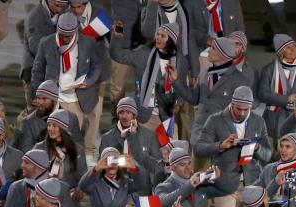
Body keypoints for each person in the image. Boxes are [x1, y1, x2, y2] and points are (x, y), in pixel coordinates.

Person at [193, 85, 272, 207]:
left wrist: (258, 148)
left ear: (251, 106)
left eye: (245, 110)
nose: (241, 113)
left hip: (252, 184)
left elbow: (268, 154)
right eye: (238, 109)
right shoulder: (215, 120)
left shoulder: (259, 121)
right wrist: (220, 146)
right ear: (232, 103)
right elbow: (199, 148)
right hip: (224, 185)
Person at [31, 12, 103, 157]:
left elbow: (97, 66)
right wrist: (40, 95)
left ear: (76, 31)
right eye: (62, 34)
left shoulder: (87, 42)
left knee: (71, 138)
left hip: (77, 99)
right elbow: (37, 71)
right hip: (54, 98)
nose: (65, 38)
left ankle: (70, 167)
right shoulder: (46, 43)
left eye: (69, 36)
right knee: (52, 136)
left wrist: (87, 81)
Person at [107, 21, 186, 131]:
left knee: (172, 148)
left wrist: (179, 103)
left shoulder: (178, 60)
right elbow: (117, 55)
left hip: (167, 119)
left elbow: (181, 84)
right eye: (157, 34)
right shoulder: (144, 53)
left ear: (172, 40)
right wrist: (116, 36)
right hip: (144, 116)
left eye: (163, 36)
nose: (158, 38)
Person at [98, 97, 163, 184]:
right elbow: (102, 166)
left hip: (142, 188)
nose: (124, 116)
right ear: (117, 114)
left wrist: (134, 137)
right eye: (121, 112)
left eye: (128, 112)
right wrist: (119, 161)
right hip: (118, 187)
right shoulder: (107, 138)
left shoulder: (149, 135)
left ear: (134, 115)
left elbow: (157, 167)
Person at [258, 34, 296, 140]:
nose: (293, 49)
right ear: (281, 51)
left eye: (294, 46)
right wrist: (287, 99)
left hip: (294, 121)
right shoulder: (269, 70)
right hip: (272, 120)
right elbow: (262, 94)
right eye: (288, 47)